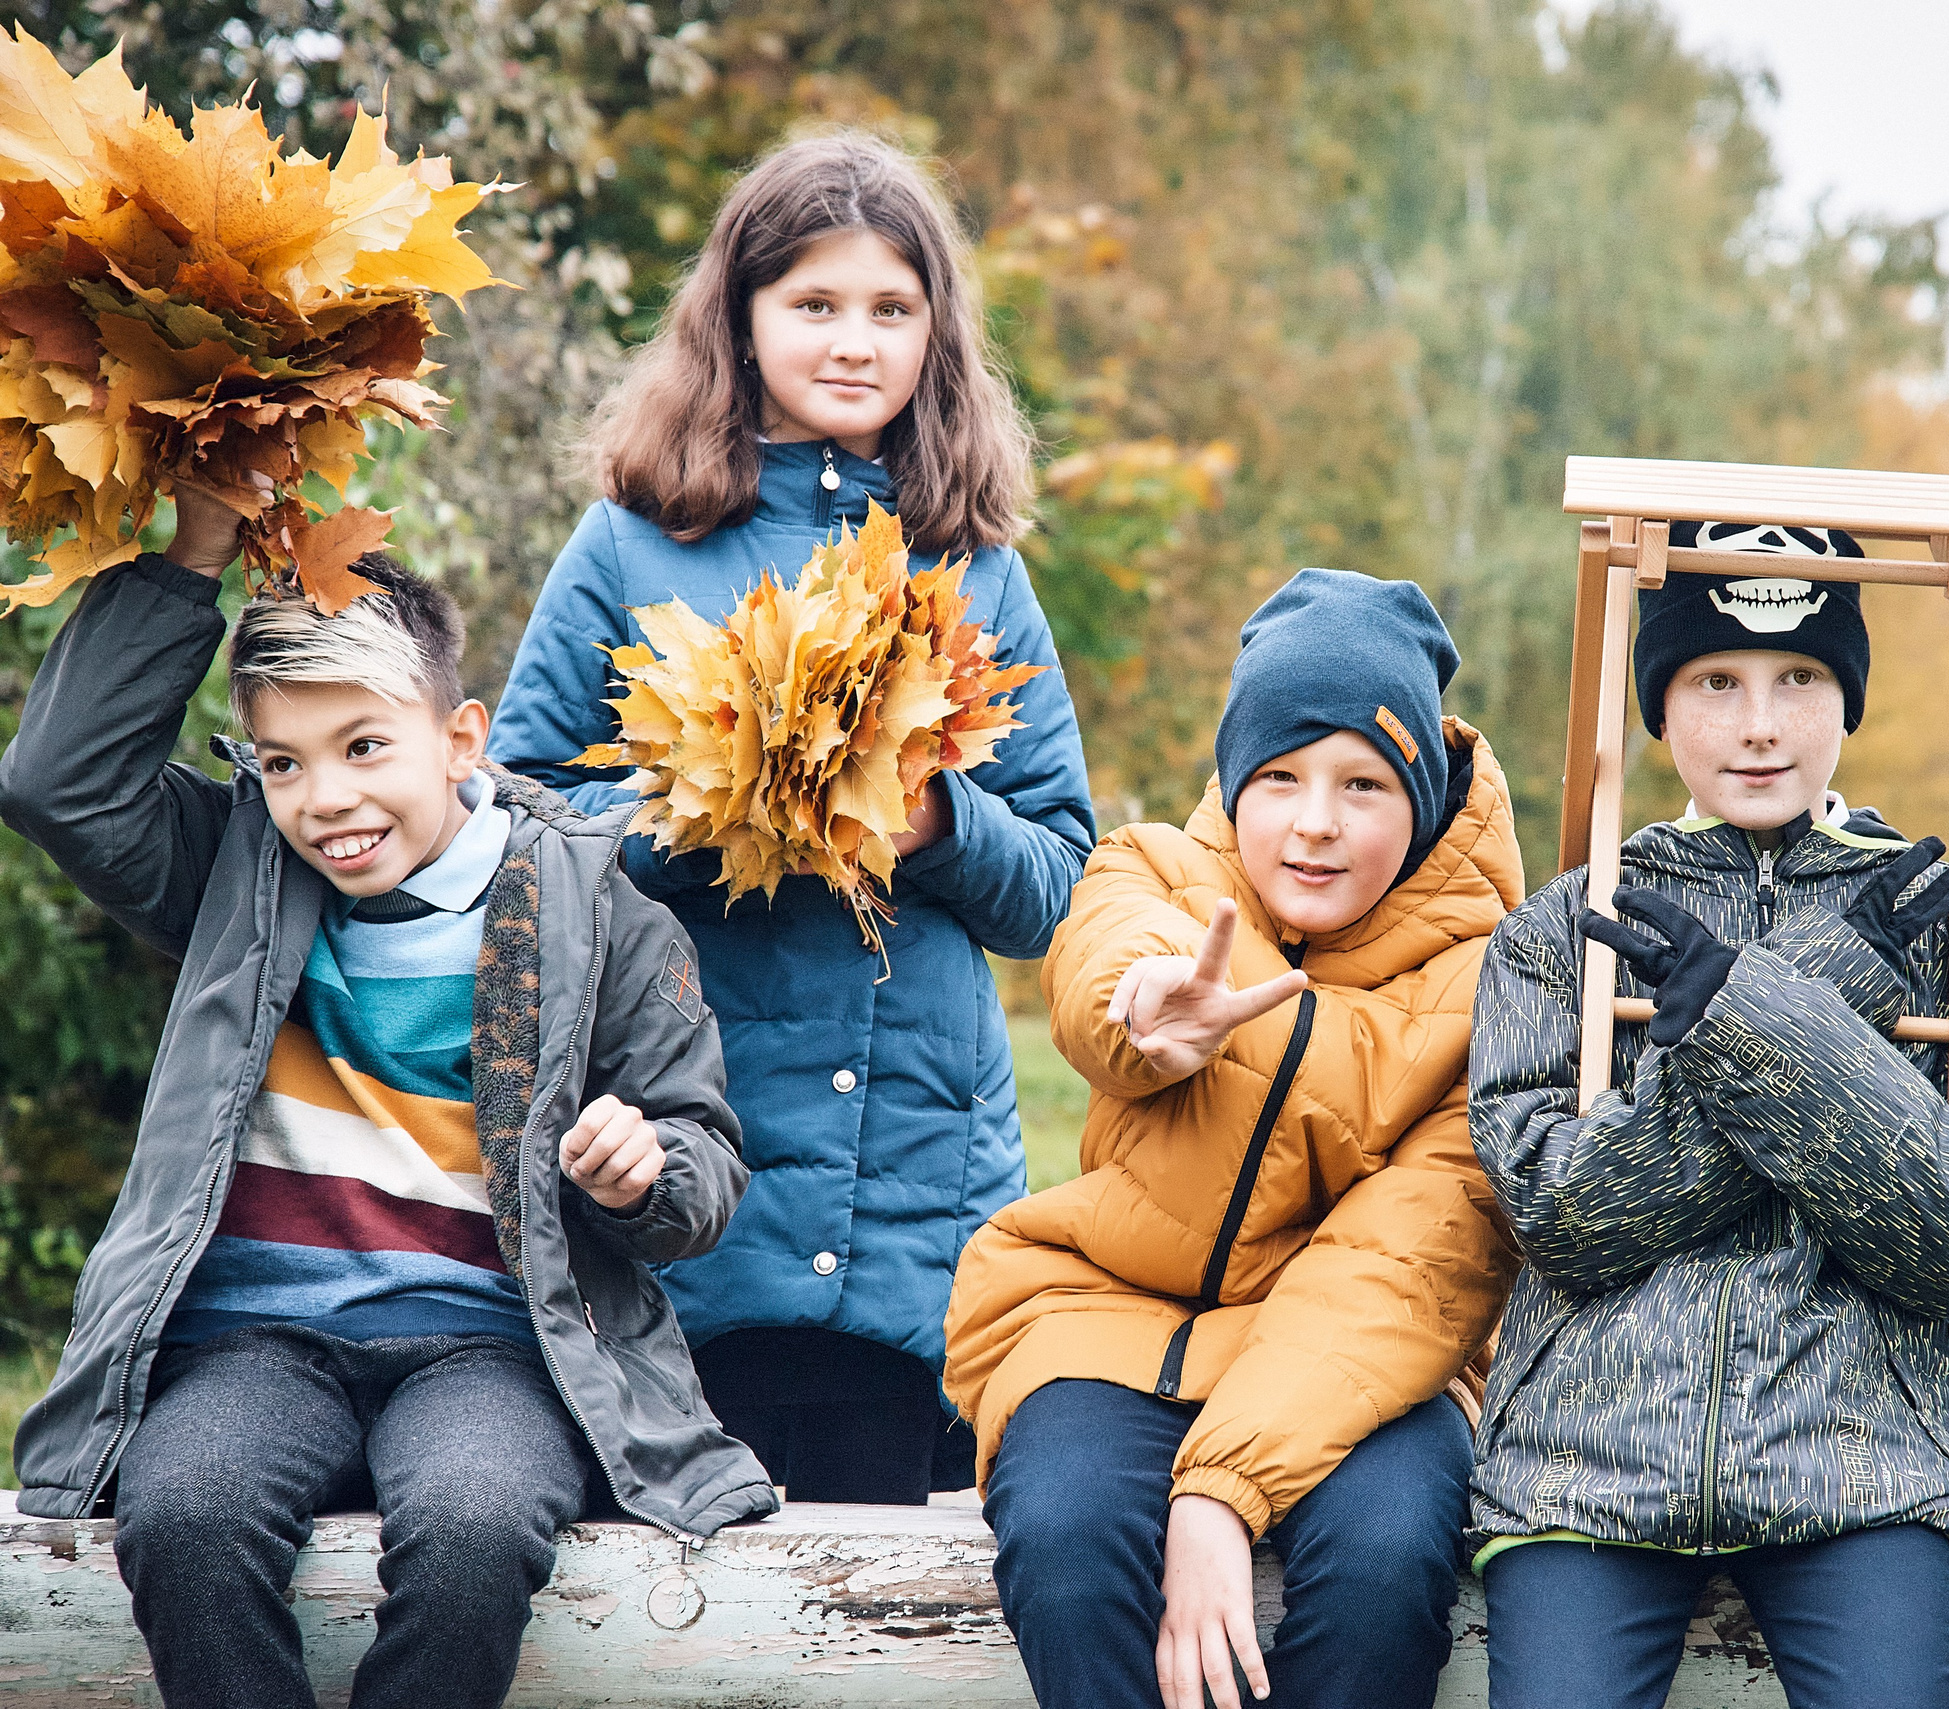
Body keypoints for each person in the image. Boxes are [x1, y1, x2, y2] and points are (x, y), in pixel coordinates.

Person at [0, 487, 769, 1709]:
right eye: (285, 763)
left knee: (474, 1525)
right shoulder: (236, 875)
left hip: (488, 1348)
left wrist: (646, 1169)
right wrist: (194, 550)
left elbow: (703, 1159)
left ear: (461, 737)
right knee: (183, 1512)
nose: (329, 800)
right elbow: (58, 784)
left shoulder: (593, 909)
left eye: (366, 746)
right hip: (256, 1341)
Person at [489, 130, 1094, 1503]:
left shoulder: (977, 566)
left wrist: (933, 822)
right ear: (742, 317)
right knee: (659, 1594)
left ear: (936, 334)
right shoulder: (637, 537)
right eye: (813, 304)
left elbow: (1062, 878)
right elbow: (513, 825)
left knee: (852, 1597)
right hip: (678, 1167)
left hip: (908, 1182)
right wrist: (714, 810)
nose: (853, 341)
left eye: (891, 309)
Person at [1465, 527, 1949, 1709]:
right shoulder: (1565, 930)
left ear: (1846, 701)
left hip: (1869, 1467)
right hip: (1585, 1465)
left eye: (1799, 678)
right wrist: (1810, 1003)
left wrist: (1754, 1016)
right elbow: (1566, 1216)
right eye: (1716, 680)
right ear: (1659, 708)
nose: (1760, 723)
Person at [944, 569, 1524, 1709]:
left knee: (1382, 1567)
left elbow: (1403, 1273)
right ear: (1231, 782)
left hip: (1372, 1362)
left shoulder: (1497, 978)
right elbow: (1106, 955)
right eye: (1279, 777)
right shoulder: (1156, 866)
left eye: (1363, 783)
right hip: (1108, 1312)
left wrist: (1218, 1491)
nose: (1315, 821)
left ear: (1422, 797)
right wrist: (1146, 1012)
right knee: (1064, 1536)